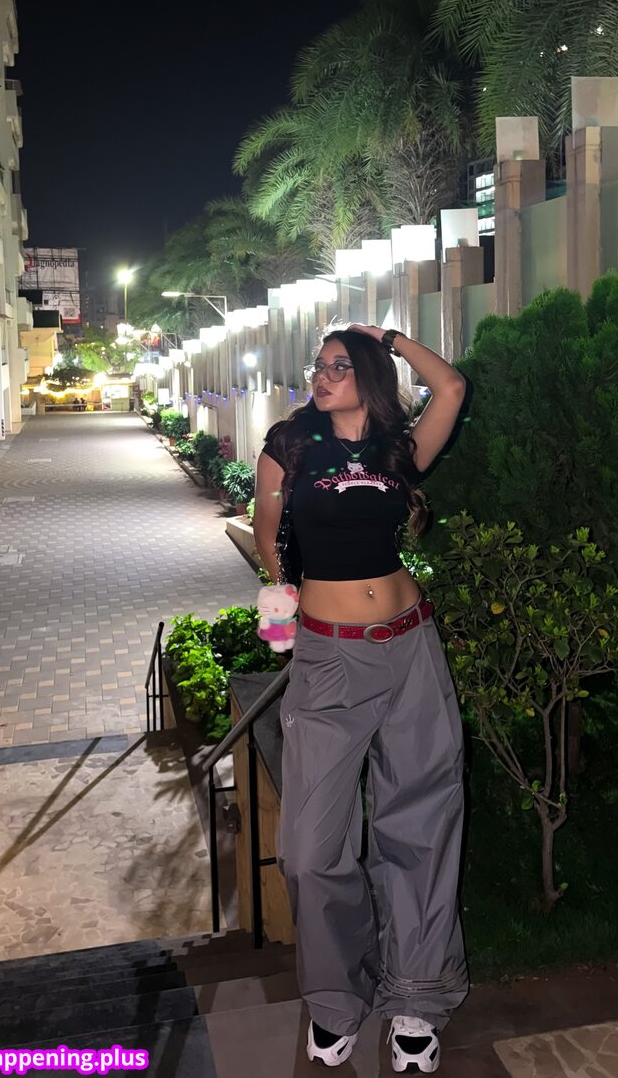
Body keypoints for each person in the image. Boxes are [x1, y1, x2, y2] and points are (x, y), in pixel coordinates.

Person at [253, 324, 468, 1073]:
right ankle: (338, 997)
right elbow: (268, 532)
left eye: (339, 366)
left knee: (421, 823)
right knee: (310, 851)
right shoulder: (290, 445)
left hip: (410, 646)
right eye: (318, 366)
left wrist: (396, 339)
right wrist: (280, 608)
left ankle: (416, 997)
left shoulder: (397, 449)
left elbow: (452, 388)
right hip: (328, 656)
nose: (321, 376)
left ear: (369, 375)